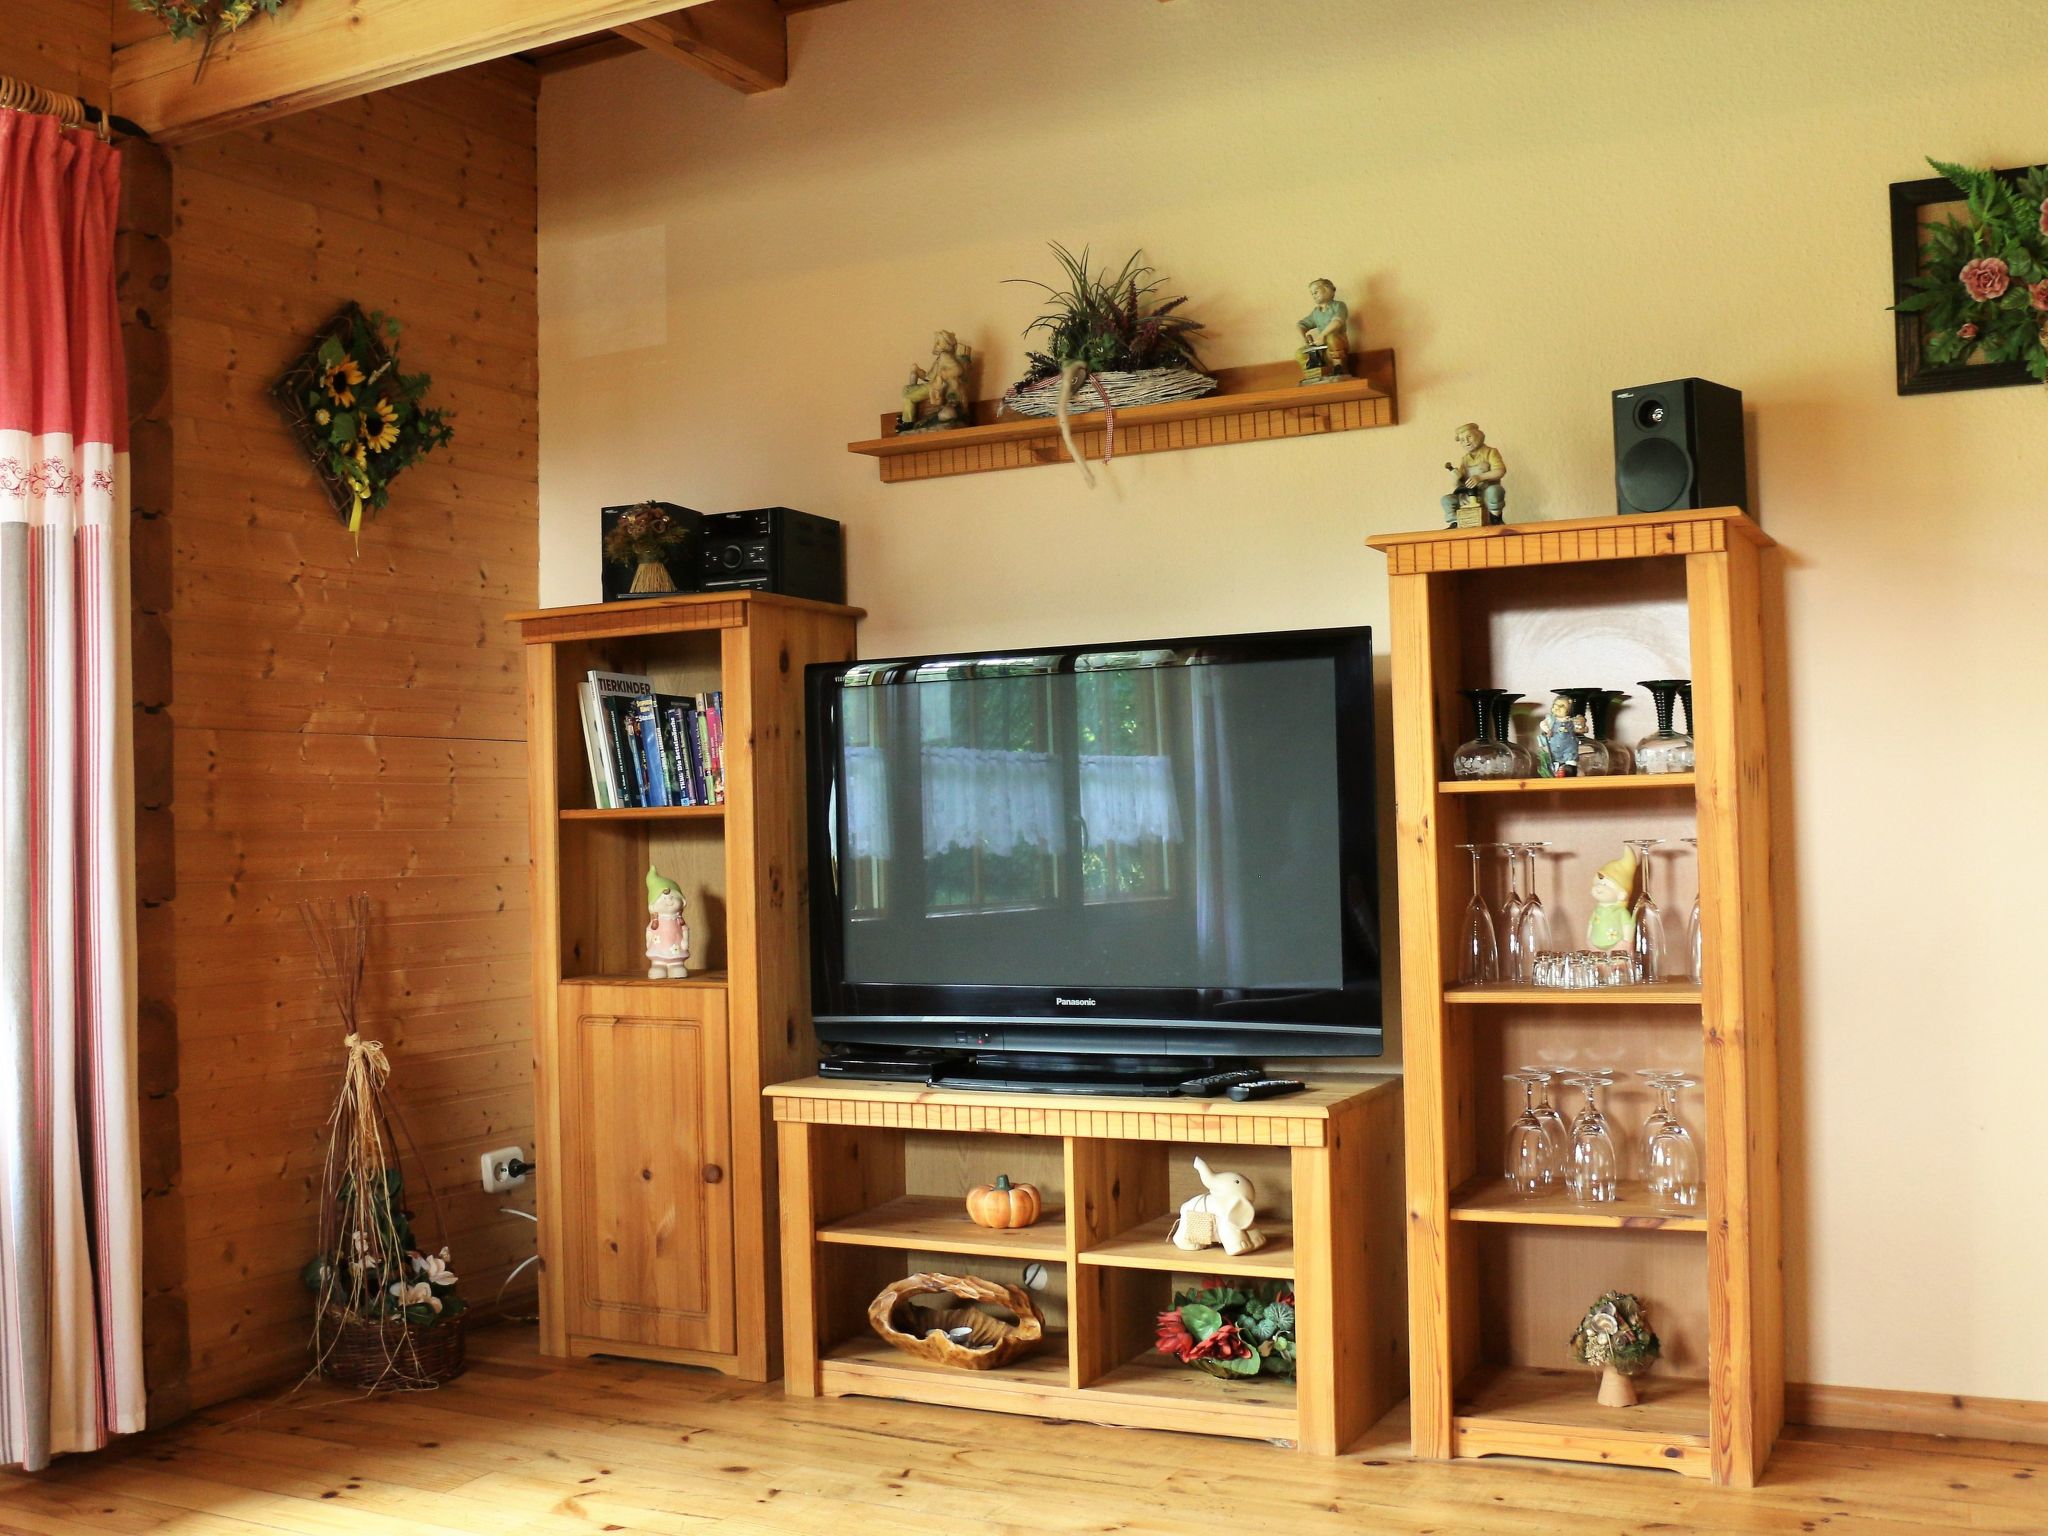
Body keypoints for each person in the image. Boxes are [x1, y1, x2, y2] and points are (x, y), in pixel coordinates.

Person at [1441, 422, 1507, 526]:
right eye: (1462, 440)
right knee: (1446, 500)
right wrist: (1456, 479)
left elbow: (1500, 471)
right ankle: (1455, 522)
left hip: (1485, 494)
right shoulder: (1465, 460)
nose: (1466, 442)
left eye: (1469, 437)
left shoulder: (1490, 452)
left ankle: (1495, 517)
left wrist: (1480, 477)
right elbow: (1459, 486)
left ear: (1479, 436)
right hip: (1469, 496)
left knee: (1495, 490)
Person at [1295, 278, 1349, 381]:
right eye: (1312, 293)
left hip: (1338, 342)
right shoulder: (1316, 312)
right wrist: (1304, 337)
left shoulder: (1339, 306)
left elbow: (1337, 322)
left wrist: (1322, 335)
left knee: (1332, 338)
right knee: (1300, 353)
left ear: (1328, 289)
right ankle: (1313, 374)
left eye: (1316, 291)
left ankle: (1339, 367)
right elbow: (1301, 324)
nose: (1313, 295)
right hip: (1322, 346)